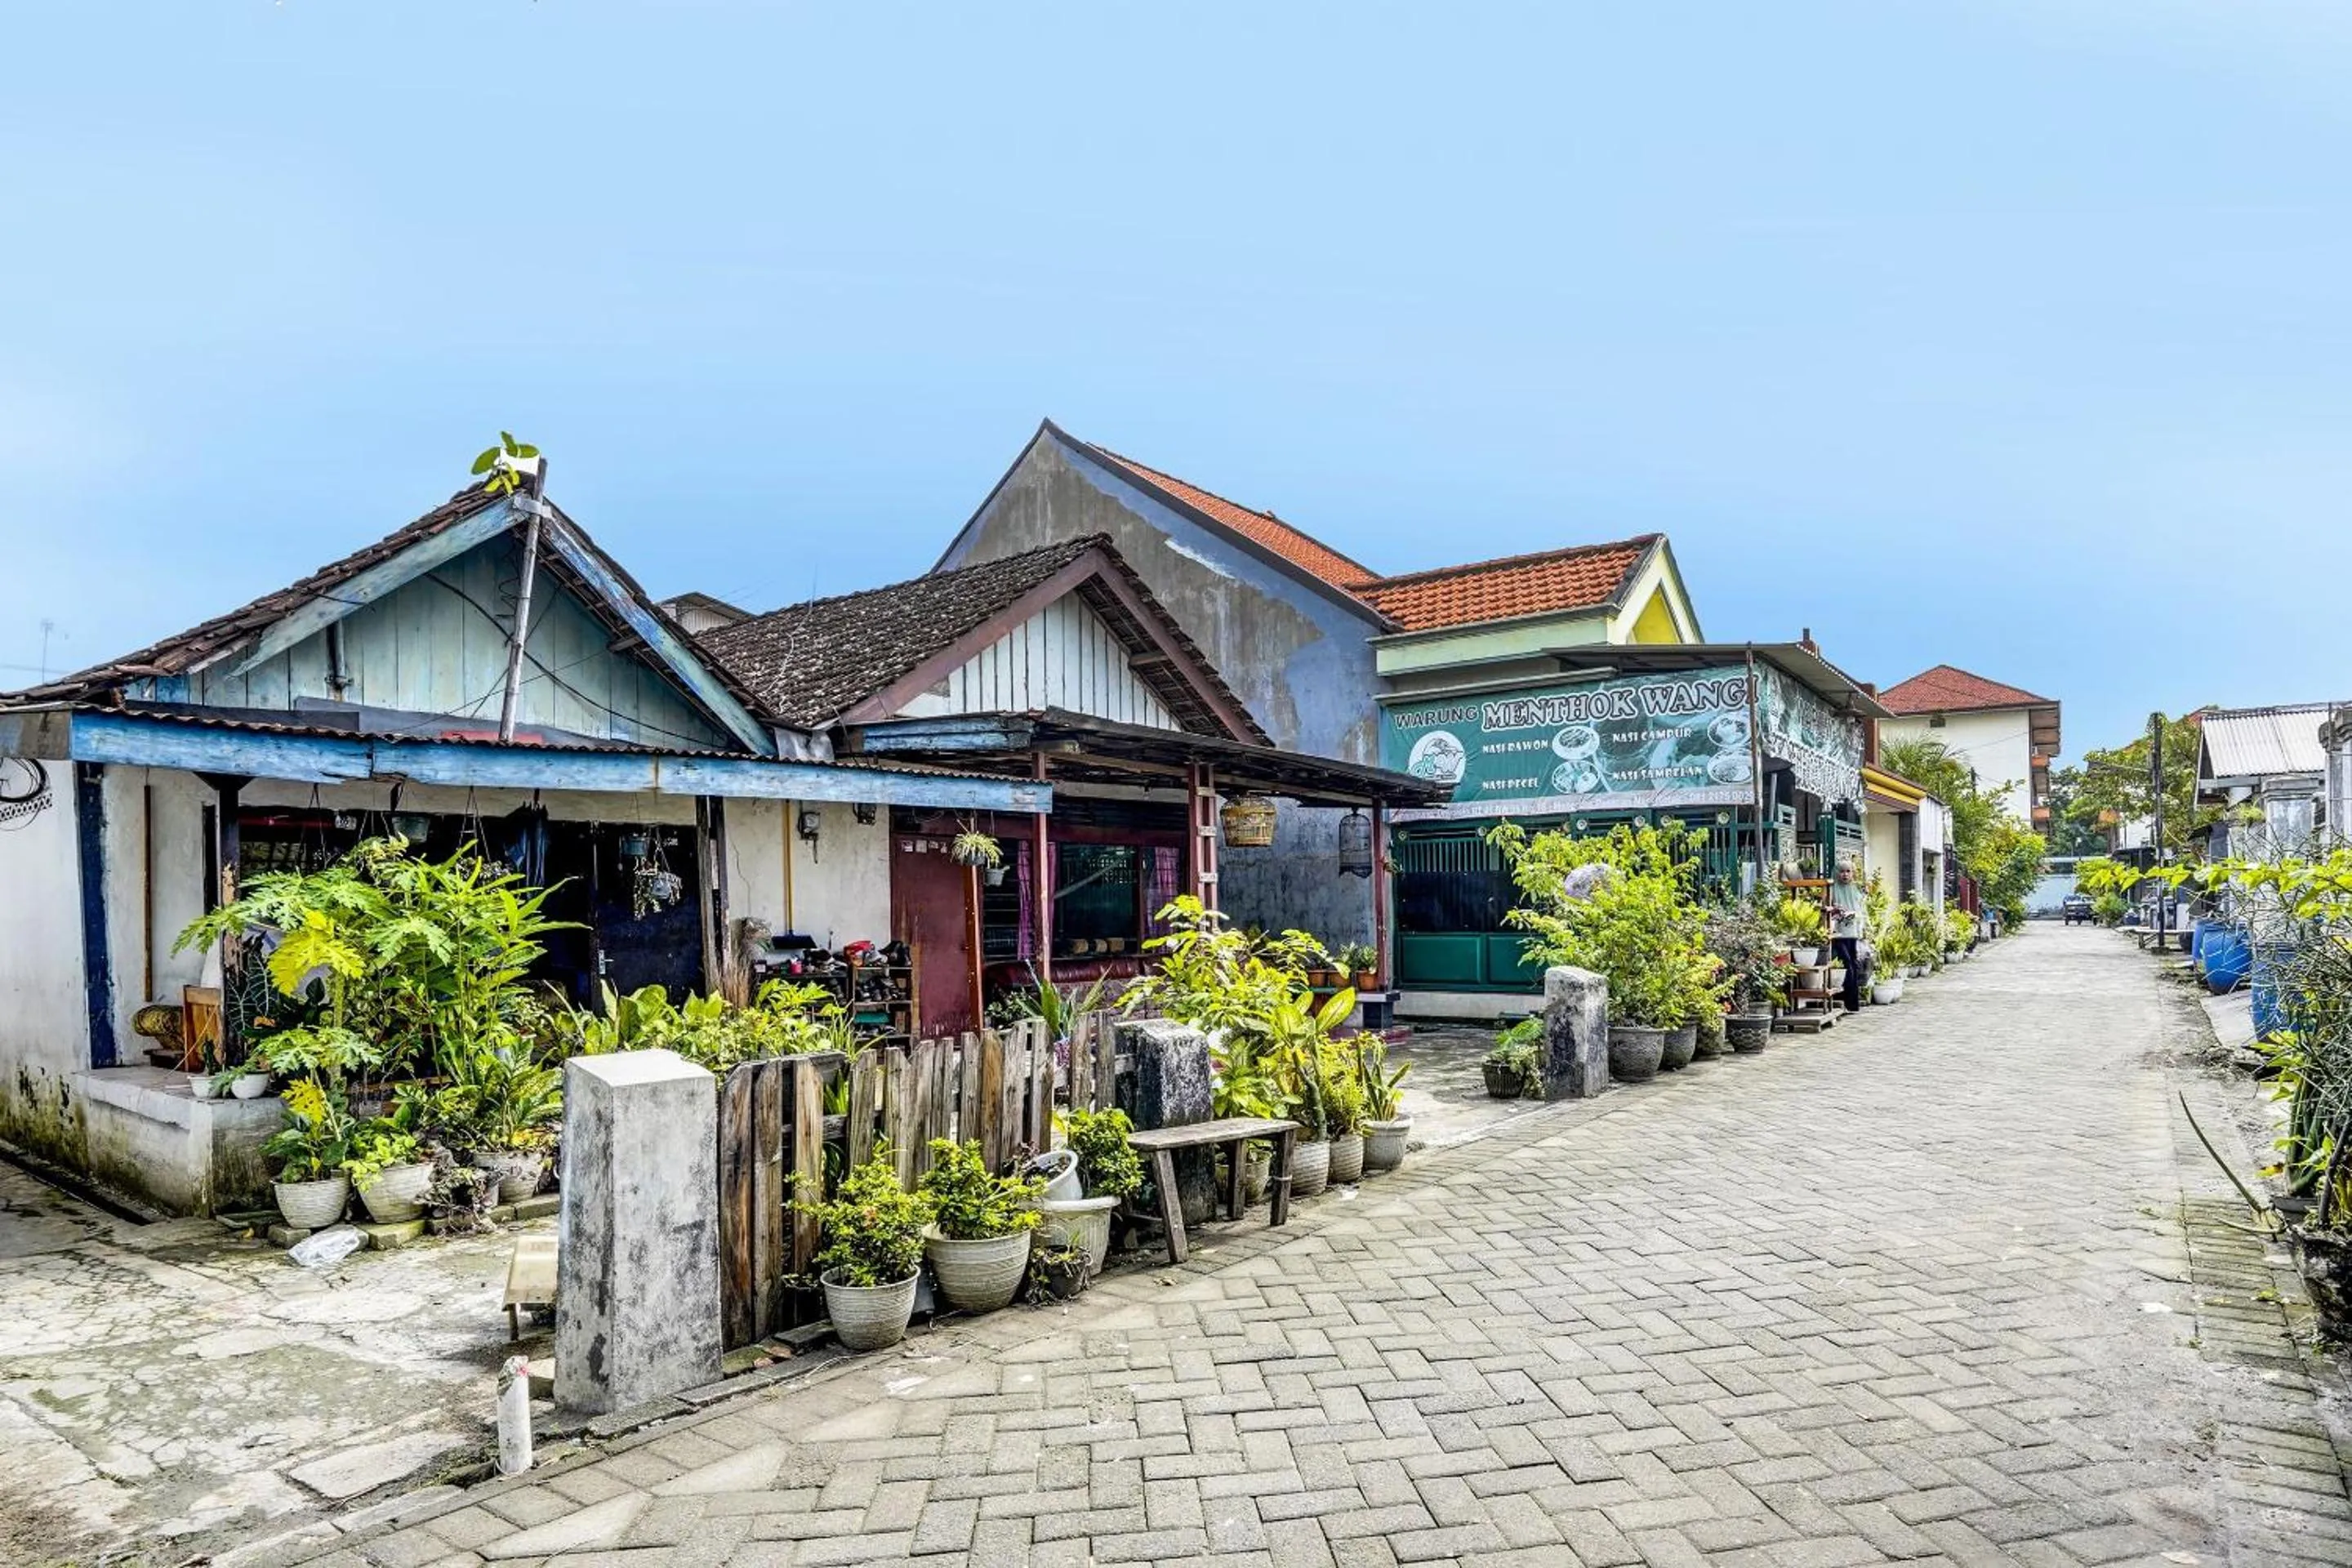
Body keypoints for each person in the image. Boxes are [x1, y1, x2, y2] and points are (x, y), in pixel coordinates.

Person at [1829, 860, 1866, 1013]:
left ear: (1852, 873)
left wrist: (1862, 930)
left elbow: (1862, 911)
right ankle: (1844, 1001)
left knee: (1853, 966)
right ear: (1837, 873)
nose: (1845, 874)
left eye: (1848, 871)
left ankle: (1852, 1004)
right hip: (1837, 934)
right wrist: (1836, 911)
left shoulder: (1856, 889)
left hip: (1853, 934)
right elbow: (1828, 908)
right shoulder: (1832, 889)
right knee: (1847, 965)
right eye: (1842, 871)